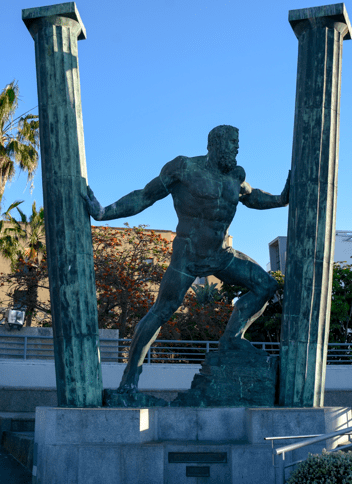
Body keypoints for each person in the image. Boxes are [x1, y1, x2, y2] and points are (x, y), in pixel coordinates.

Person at [86, 125, 290, 392]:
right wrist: (103, 212)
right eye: (231, 142)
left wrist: (281, 199)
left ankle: (231, 339)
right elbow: (144, 196)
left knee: (266, 285)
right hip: (188, 257)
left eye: (237, 143)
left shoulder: (236, 175)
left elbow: (252, 197)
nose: (236, 148)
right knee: (161, 311)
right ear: (214, 144)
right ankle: (129, 381)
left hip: (221, 255)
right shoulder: (183, 168)